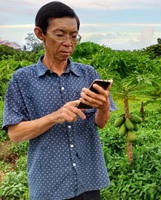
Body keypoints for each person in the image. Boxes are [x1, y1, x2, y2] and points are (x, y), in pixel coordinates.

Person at [2, 1, 117, 199]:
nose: (68, 42)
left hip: (88, 179)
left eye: (74, 36)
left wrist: (104, 106)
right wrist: (55, 117)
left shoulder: (88, 73)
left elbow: (101, 123)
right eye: (60, 34)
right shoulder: (22, 79)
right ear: (40, 34)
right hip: (48, 184)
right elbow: (15, 134)